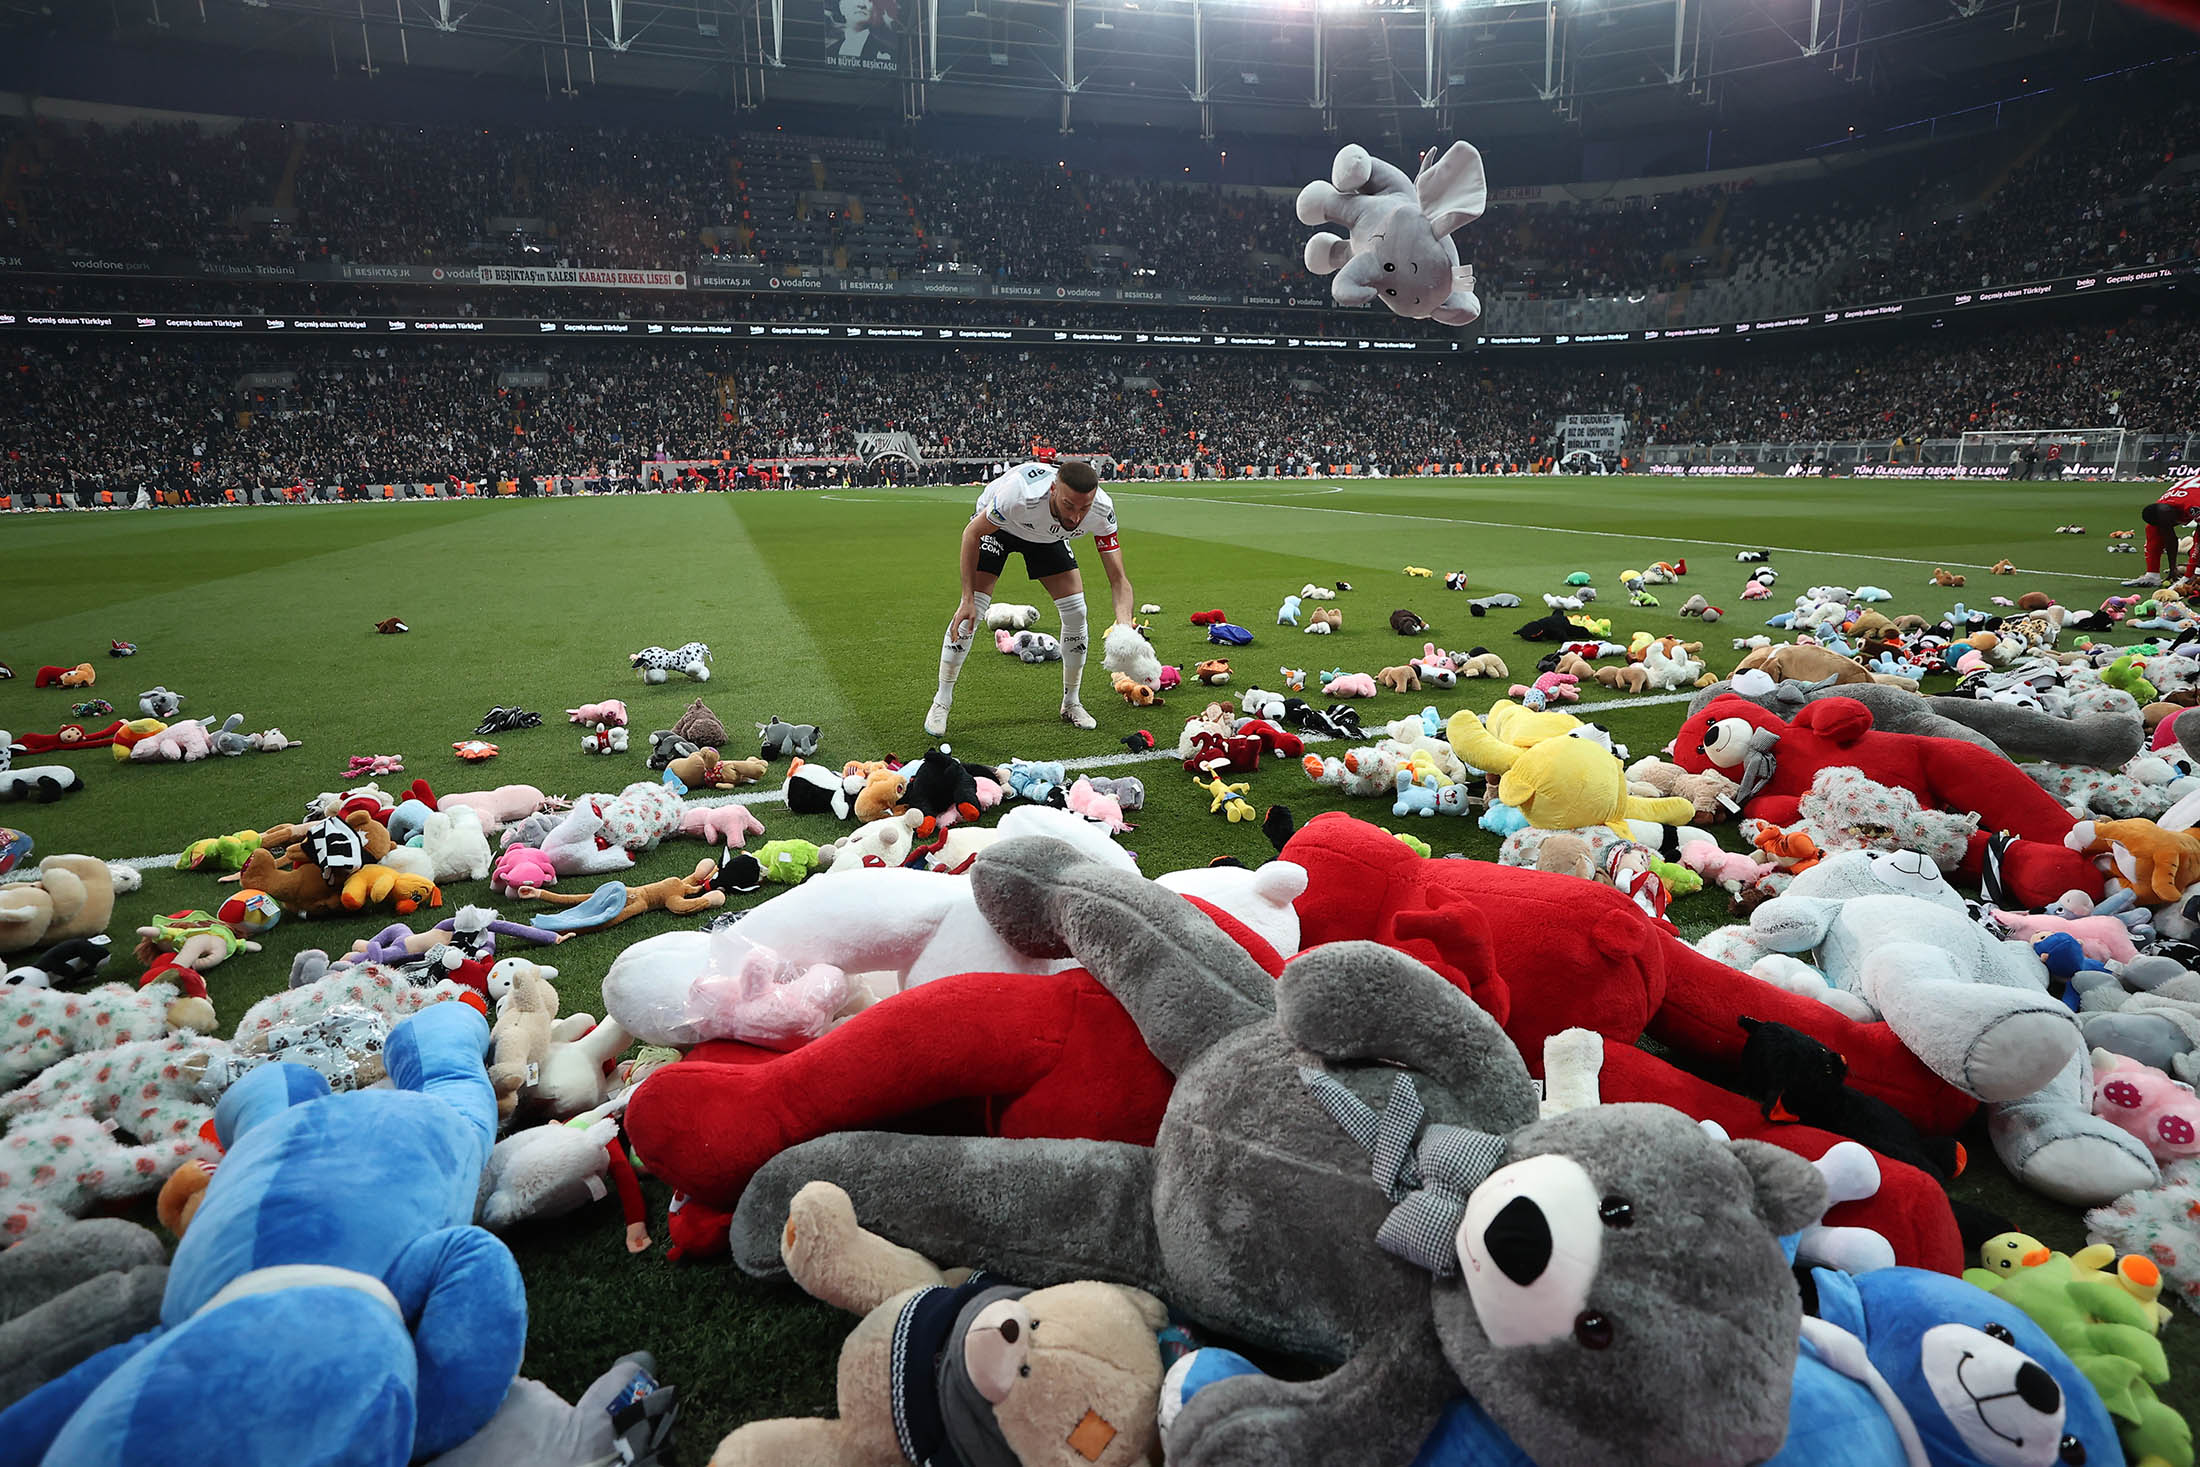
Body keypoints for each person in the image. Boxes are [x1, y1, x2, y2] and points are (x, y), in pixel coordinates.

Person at [927, 458, 1136, 736]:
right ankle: (941, 701)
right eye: (1069, 505)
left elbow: (1119, 580)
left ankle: (1071, 702)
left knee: (1077, 612)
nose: (1075, 517)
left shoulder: (1101, 509)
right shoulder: (1019, 495)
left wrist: (1124, 629)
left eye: (1084, 508)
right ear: (1053, 490)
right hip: (1001, 527)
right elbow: (972, 533)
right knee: (972, 610)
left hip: (1046, 537)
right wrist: (967, 597)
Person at [2125, 474, 2200, 588]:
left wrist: (2189, 575)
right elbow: (2170, 538)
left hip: (2193, 499)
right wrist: (2172, 569)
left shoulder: (2194, 505)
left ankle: (2194, 574)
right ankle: (2152, 576)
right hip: (2190, 495)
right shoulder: (2163, 506)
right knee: (2152, 529)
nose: (2167, 527)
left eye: (2167, 523)